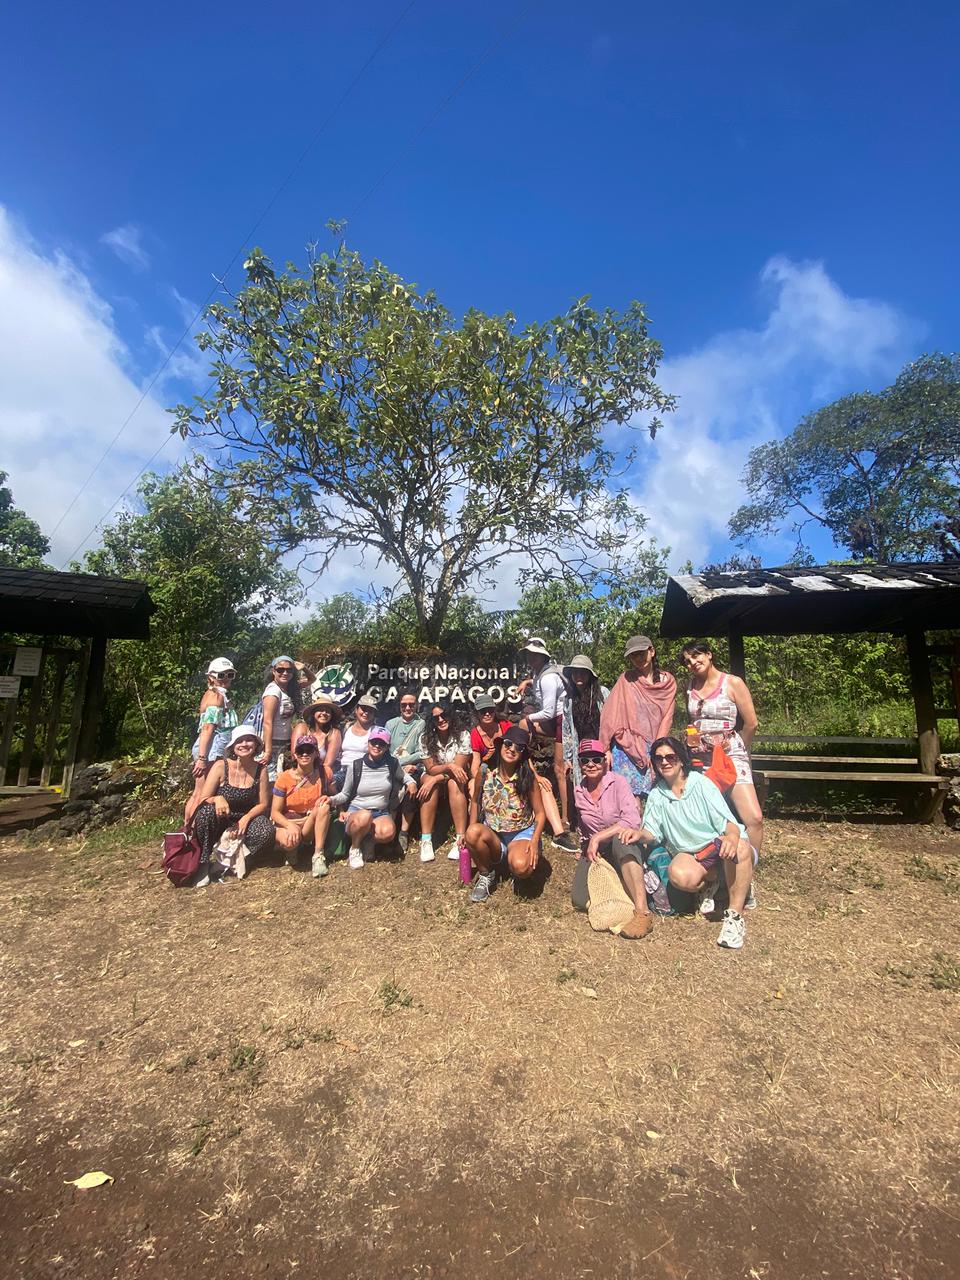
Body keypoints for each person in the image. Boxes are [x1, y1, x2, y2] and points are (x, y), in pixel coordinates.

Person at [622, 736, 754, 950]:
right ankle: (714, 882)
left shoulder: (701, 784)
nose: (664, 762)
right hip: (690, 854)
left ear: (682, 760)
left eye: (670, 757)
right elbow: (652, 832)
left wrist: (731, 837)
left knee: (738, 846)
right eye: (658, 758)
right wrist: (638, 834)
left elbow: (728, 823)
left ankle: (735, 917)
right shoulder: (657, 795)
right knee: (679, 876)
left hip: (717, 845)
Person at [681, 640, 763, 854]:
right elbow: (693, 720)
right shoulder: (690, 687)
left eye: (697, 656)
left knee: (753, 816)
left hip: (730, 754)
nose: (693, 663)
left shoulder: (732, 683)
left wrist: (737, 746)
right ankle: (713, 864)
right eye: (688, 661)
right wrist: (691, 736)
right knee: (707, 814)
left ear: (709, 655)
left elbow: (751, 723)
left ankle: (750, 866)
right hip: (701, 757)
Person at [570, 739, 653, 940]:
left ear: (605, 761)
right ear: (580, 763)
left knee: (622, 839)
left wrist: (598, 837)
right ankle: (619, 897)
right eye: (585, 760)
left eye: (596, 759)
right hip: (598, 849)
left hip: (620, 843)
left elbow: (631, 820)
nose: (591, 764)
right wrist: (586, 844)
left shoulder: (618, 782)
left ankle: (642, 912)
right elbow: (583, 824)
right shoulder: (579, 790)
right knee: (579, 898)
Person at [464, 726, 546, 903]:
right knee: (472, 833)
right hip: (493, 832)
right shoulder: (485, 773)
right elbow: (476, 801)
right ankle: (487, 874)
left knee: (521, 867)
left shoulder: (527, 777)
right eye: (508, 744)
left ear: (523, 754)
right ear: (501, 745)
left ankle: (514, 863)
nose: (512, 749)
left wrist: (534, 841)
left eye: (519, 747)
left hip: (520, 832)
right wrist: (470, 830)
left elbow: (540, 813)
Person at [192, 725, 275, 886]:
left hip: (245, 818)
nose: (244, 744)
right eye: (239, 741)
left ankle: (231, 859)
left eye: (249, 740)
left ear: (256, 745)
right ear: (232, 746)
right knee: (205, 814)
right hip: (221, 817)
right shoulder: (220, 766)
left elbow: (264, 803)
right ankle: (203, 863)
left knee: (266, 832)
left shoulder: (261, 770)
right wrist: (217, 799)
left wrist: (246, 818)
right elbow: (204, 798)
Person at [324, 726, 415, 870]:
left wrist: (412, 783)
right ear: (368, 743)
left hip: (380, 812)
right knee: (365, 816)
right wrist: (331, 800)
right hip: (357, 812)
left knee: (388, 832)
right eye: (374, 742)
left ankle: (368, 841)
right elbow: (345, 794)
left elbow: (405, 776)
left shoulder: (392, 763)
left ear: (387, 747)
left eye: (382, 744)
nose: (377, 746)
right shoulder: (356, 765)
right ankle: (355, 848)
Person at [517, 637, 578, 853]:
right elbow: (539, 685)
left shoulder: (548, 678)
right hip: (556, 720)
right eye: (529, 654)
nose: (531, 658)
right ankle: (529, 770)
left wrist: (529, 719)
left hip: (561, 721)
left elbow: (549, 712)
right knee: (524, 730)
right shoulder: (541, 674)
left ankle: (565, 818)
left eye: (535, 655)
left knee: (559, 769)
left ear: (543, 656)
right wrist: (527, 682)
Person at [599, 635, 677, 802]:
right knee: (629, 797)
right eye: (633, 655)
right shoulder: (626, 679)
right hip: (626, 746)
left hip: (654, 744)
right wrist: (605, 748)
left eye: (641, 653)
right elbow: (609, 714)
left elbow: (667, 717)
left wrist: (658, 746)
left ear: (652, 651)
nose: (638, 659)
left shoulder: (668, 682)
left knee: (656, 795)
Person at [185, 657, 239, 824]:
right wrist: (201, 759)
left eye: (230, 675)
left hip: (213, 748)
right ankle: (190, 832)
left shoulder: (217, 695)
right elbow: (208, 728)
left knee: (199, 792)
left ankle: (189, 830)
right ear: (211, 677)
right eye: (221, 675)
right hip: (211, 750)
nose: (226, 679)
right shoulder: (216, 697)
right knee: (201, 793)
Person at [271, 734, 332, 878]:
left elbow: (335, 795)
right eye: (300, 751)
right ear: (295, 755)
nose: (305, 754)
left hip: (310, 822)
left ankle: (318, 855)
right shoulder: (284, 778)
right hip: (290, 821)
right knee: (289, 841)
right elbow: (275, 812)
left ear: (316, 753)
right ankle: (292, 848)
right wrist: (289, 825)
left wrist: (338, 806)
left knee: (324, 805)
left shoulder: (325, 773)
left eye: (309, 750)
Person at [417, 703, 471, 864]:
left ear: (450, 715)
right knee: (429, 782)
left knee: (454, 783)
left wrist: (437, 776)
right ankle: (426, 839)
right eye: (435, 718)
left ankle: (460, 838)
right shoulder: (425, 738)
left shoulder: (463, 735)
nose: (441, 720)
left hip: (456, 777)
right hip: (437, 773)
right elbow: (431, 769)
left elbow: (459, 770)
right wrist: (448, 766)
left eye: (444, 715)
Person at [559, 653, 610, 795]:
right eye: (575, 672)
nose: (578, 675)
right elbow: (567, 730)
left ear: (590, 675)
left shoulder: (602, 693)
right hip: (581, 750)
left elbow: (612, 722)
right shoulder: (569, 699)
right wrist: (567, 759)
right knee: (584, 789)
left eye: (582, 672)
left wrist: (609, 748)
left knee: (605, 786)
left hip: (602, 749)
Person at [385, 690, 426, 853]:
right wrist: (399, 764)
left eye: (411, 704)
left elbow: (421, 752)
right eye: (404, 705)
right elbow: (385, 750)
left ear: (417, 705)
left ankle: (403, 832)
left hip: (414, 767)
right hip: (392, 766)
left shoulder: (422, 724)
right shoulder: (390, 724)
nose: (408, 708)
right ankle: (388, 831)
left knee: (411, 787)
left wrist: (406, 764)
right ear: (399, 706)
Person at [258, 656, 303, 781]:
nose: (285, 673)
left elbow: (312, 680)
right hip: (273, 743)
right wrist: (267, 751)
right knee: (271, 781)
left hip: (284, 743)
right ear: (273, 671)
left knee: (282, 781)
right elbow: (267, 722)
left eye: (289, 670)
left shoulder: (287, 689)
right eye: (280, 670)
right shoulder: (273, 691)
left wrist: (303, 668)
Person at [291, 693, 343, 792]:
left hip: (321, 774)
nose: (324, 713)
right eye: (320, 710)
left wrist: (313, 777)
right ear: (313, 713)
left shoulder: (334, 733)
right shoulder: (302, 728)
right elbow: (294, 756)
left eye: (328, 711)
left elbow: (327, 764)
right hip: (299, 771)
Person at [469, 694, 511, 775]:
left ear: (495, 711)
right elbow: (475, 763)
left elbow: (521, 751)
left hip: (507, 769)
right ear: (477, 713)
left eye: (491, 710)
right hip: (487, 772)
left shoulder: (506, 726)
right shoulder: (475, 734)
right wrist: (479, 779)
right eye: (483, 711)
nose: (487, 714)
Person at [339, 693, 378, 779]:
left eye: (370, 710)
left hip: (364, 772)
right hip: (343, 771)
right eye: (363, 709)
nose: (366, 713)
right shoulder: (345, 727)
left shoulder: (376, 732)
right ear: (356, 710)